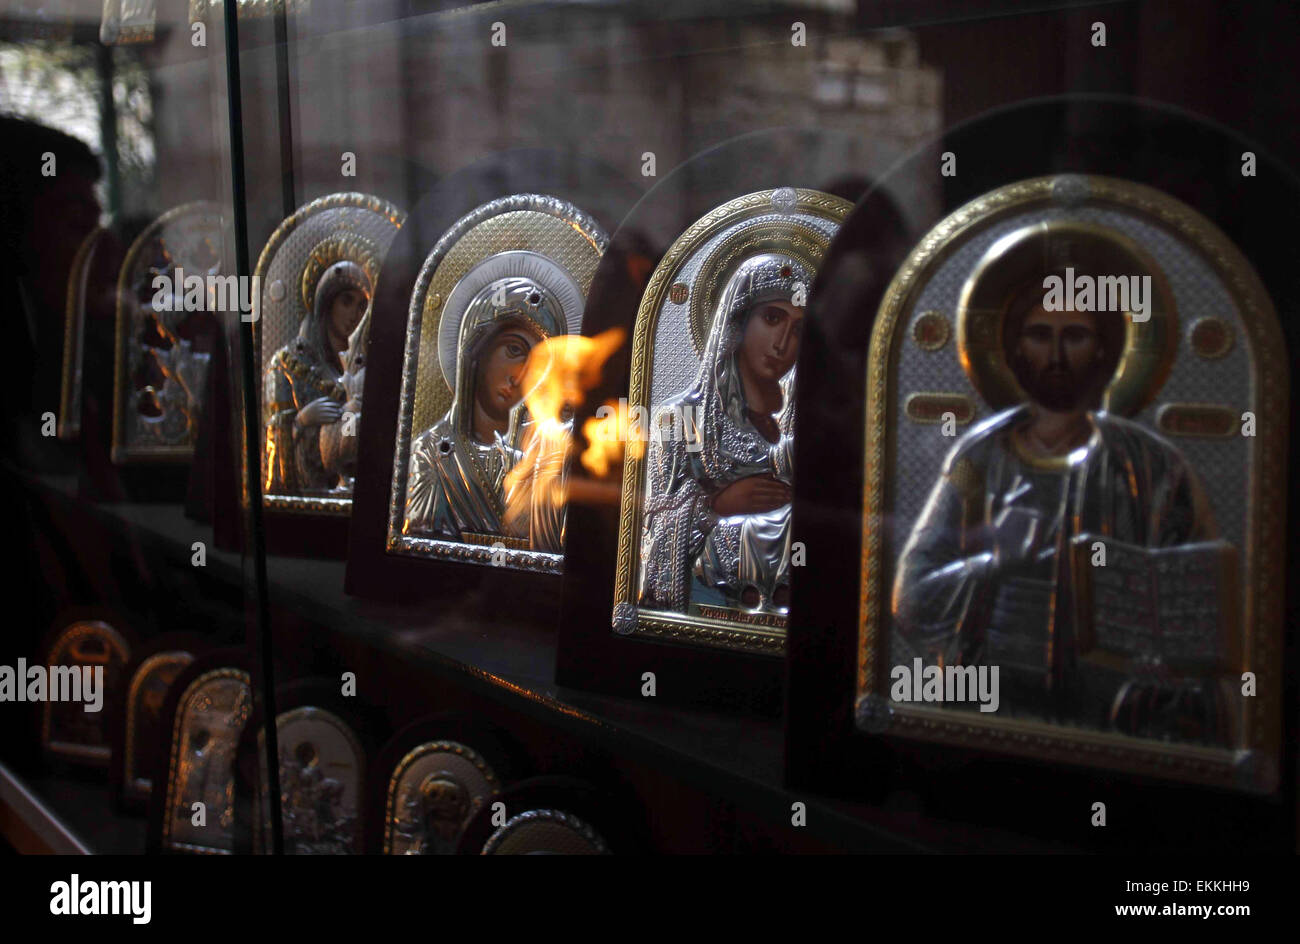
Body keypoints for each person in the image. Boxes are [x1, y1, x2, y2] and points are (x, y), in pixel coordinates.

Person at [892, 272, 1225, 738]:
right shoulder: (977, 459)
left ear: (1105, 349)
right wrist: (993, 563)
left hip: (1113, 719)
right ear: (1014, 348)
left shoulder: (1151, 466)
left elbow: (1201, 607)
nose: (1056, 354)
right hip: (986, 710)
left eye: (1075, 336)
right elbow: (911, 598)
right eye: (1039, 335)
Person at [638, 253, 808, 615]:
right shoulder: (682, 420)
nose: (782, 343)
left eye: (799, 329)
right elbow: (652, 529)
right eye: (773, 318)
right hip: (705, 603)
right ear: (738, 319)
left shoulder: (809, 425)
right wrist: (715, 506)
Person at [403, 276, 566, 549]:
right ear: (478, 348)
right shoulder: (429, 456)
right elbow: (421, 545)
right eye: (514, 350)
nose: (521, 376)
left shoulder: (546, 463)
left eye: (538, 365)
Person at [263, 260, 370, 494]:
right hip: (304, 498)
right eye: (346, 301)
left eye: (362, 305)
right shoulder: (288, 364)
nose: (354, 314)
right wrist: (301, 422)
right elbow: (273, 454)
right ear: (327, 303)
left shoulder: (367, 367)